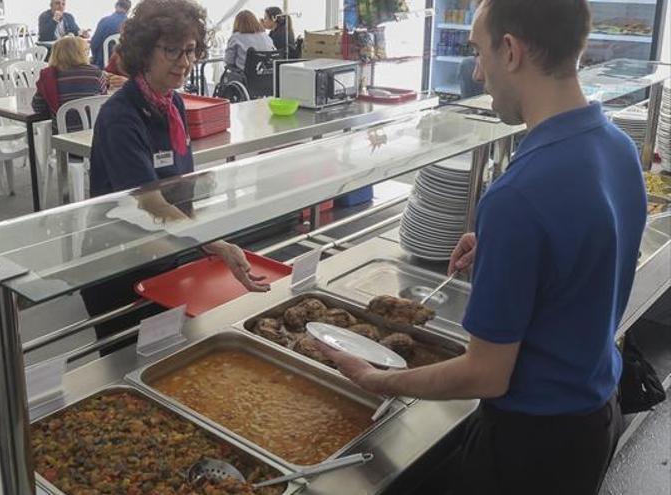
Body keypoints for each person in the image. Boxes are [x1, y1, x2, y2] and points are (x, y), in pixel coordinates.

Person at [319, 1, 644, 494]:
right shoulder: (617, 146)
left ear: (509, 50)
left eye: (478, 52)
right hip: (596, 412)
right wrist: (500, 246)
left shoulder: (519, 195)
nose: (477, 71)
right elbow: (585, 260)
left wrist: (378, 379)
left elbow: (486, 375)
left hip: (531, 447)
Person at [85, 0, 270, 355]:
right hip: (117, 266)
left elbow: (180, 187)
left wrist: (201, 237)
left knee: (167, 353)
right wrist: (216, 243)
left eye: (189, 51)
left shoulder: (174, 104)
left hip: (163, 253)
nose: (184, 62)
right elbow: (151, 202)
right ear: (143, 51)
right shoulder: (120, 118)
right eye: (171, 51)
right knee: (127, 365)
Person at [32, 36, 107, 132]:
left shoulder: (48, 76)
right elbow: (103, 101)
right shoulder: (95, 73)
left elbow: (38, 107)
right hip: (94, 133)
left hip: (63, 135)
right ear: (81, 53)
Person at [89, 0, 130, 69]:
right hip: (125, 67)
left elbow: (94, 44)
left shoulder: (104, 21)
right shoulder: (131, 25)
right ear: (128, 10)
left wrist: (94, 58)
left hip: (103, 64)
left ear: (116, 6)